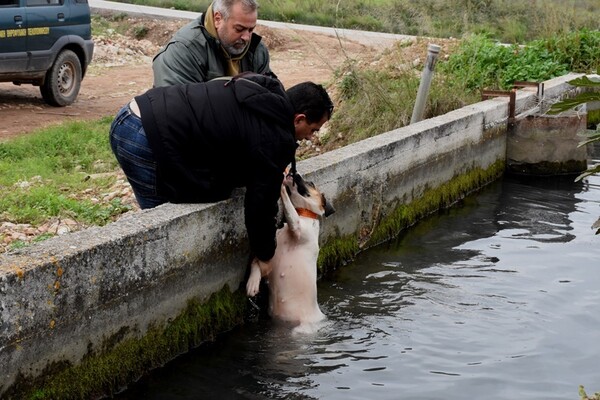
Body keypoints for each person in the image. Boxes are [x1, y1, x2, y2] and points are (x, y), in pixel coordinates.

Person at [109, 72, 333, 265]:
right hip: (144, 135)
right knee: (161, 228)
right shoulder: (275, 136)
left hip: (135, 111)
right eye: (313, 130)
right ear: (299, 119)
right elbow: (260, 205)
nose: (310, 137)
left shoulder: (264, 94)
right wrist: (266, 257)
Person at [152, 0, 273, 87]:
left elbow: (269, 94)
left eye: (251, 30)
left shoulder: (257, 50)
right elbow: (176, 108)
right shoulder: (183, 50)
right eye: (239, 29)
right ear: (217, 19)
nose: (246, 37)